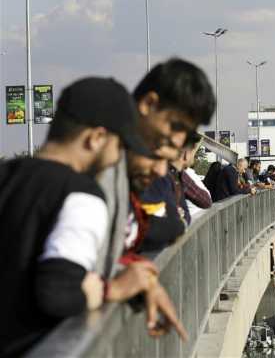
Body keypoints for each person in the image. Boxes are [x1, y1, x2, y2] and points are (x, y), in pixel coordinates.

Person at [0, 78, 185, 356]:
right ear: (96, 138)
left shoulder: (8, 174)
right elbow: (57, 293)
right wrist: (112, 288)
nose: (117, 159)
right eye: (119, 146)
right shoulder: (82, 195)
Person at [98, 58, 215, 280]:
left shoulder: (144, 174)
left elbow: (173, 224)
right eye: (177, 127)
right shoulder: (97, 172)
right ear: (149, 104)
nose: (162, 170)